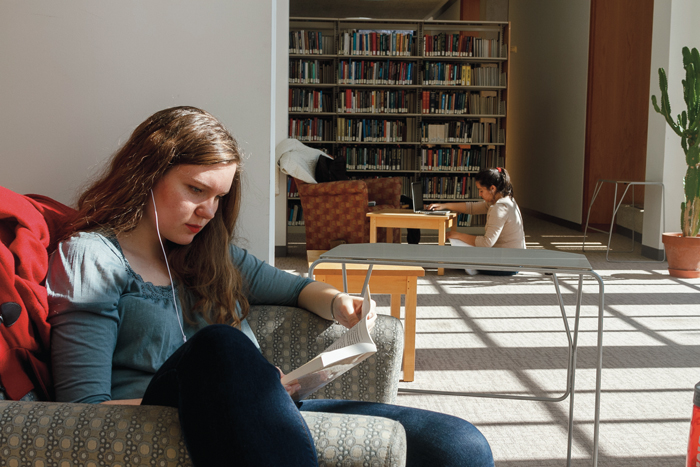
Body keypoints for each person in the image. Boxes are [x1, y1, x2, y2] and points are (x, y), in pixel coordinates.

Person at [46, 106, 494, 467]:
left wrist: (341, 304)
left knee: (459, 444)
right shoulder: (92, 257)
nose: (208, 212)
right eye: (196, 189)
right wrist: (239, 387)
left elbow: (297, 289)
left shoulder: (210, 255)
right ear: (146, 175)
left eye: (219, 197)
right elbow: (82, 411)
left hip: (264, 414)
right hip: (159, 420)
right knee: (220, 346)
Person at [427, 167, 525, 275]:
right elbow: (471, 208)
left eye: (481, 190)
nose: (479, 194)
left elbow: (486, 243)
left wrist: (457, 235)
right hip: (514, 260)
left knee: (455, 255)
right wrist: (444, 205)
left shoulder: (499, 208)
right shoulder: (504, 199)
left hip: (507, 265)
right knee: (456, 254)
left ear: (492, 188)